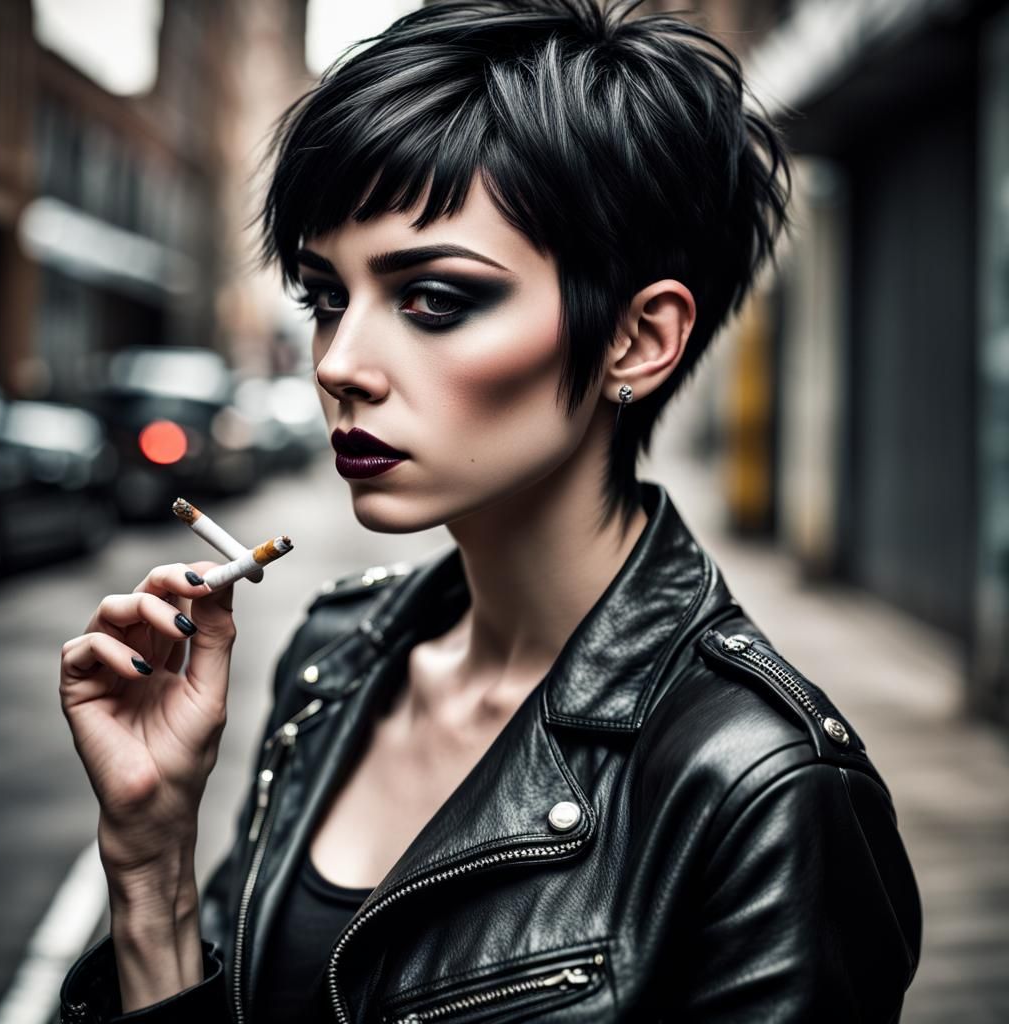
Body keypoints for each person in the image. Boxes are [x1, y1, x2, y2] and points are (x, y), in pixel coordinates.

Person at [57, 0, 922, 1020]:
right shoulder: (335, 659)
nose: (338, 365)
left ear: (637, 340)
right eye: (326, 297)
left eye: (432, 299)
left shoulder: (762, 791)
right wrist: (152, 866)